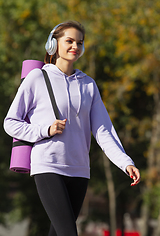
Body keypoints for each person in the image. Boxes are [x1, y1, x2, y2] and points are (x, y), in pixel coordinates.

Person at [4, 21, 140, 236]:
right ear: (53, 44)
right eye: (69, 41)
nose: (75, 46)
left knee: (57, 233)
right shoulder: (37, 78)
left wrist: (125, 162)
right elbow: (11, 122)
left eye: (79, 42)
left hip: (79, 170)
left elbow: (103, 131)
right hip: (48, 166)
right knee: (68, 232)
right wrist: (44, 130)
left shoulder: (88, 84)